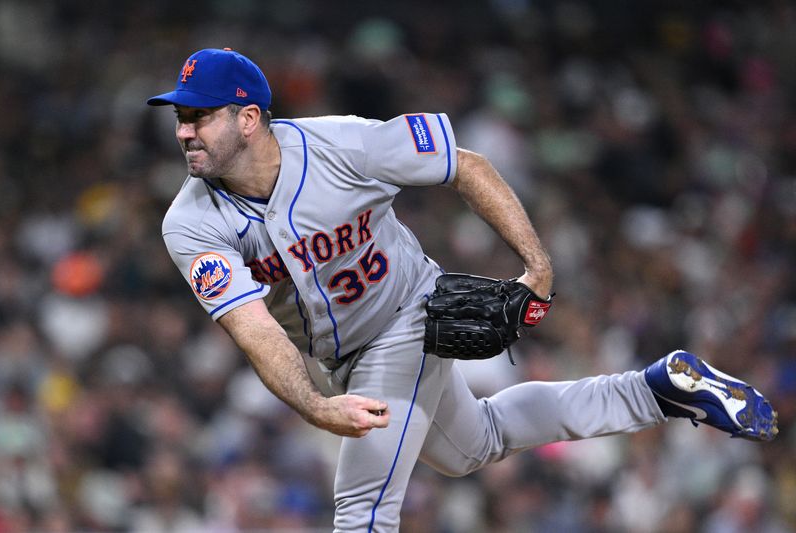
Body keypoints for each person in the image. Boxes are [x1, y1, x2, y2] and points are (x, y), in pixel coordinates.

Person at [147, 48, 778, 532]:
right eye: (181, 117)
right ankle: (657, 390)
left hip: (409, 317)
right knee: (477, 446)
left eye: (198, 116)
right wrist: (313, 403)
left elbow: (465, 165)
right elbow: (252, 326)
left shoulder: (345, 144)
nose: (184, 132)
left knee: (363, 508)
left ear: (249, 117)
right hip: (342, 357)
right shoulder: (191, 221)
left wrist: (537, 264)